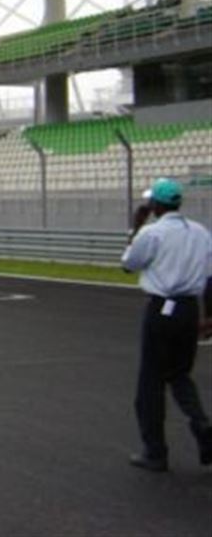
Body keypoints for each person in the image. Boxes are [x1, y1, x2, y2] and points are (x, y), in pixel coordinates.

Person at [121, 177, 212, 472]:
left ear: (156, 205)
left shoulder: (152, 232)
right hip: (189, 309)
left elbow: (128, 265)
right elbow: (210, 277)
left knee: (150, 383)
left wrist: (135, 227)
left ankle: (155, 452)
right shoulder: (201, 232)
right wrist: (209, 315)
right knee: (180, 375)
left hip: (161, 308)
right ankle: (203, 428)